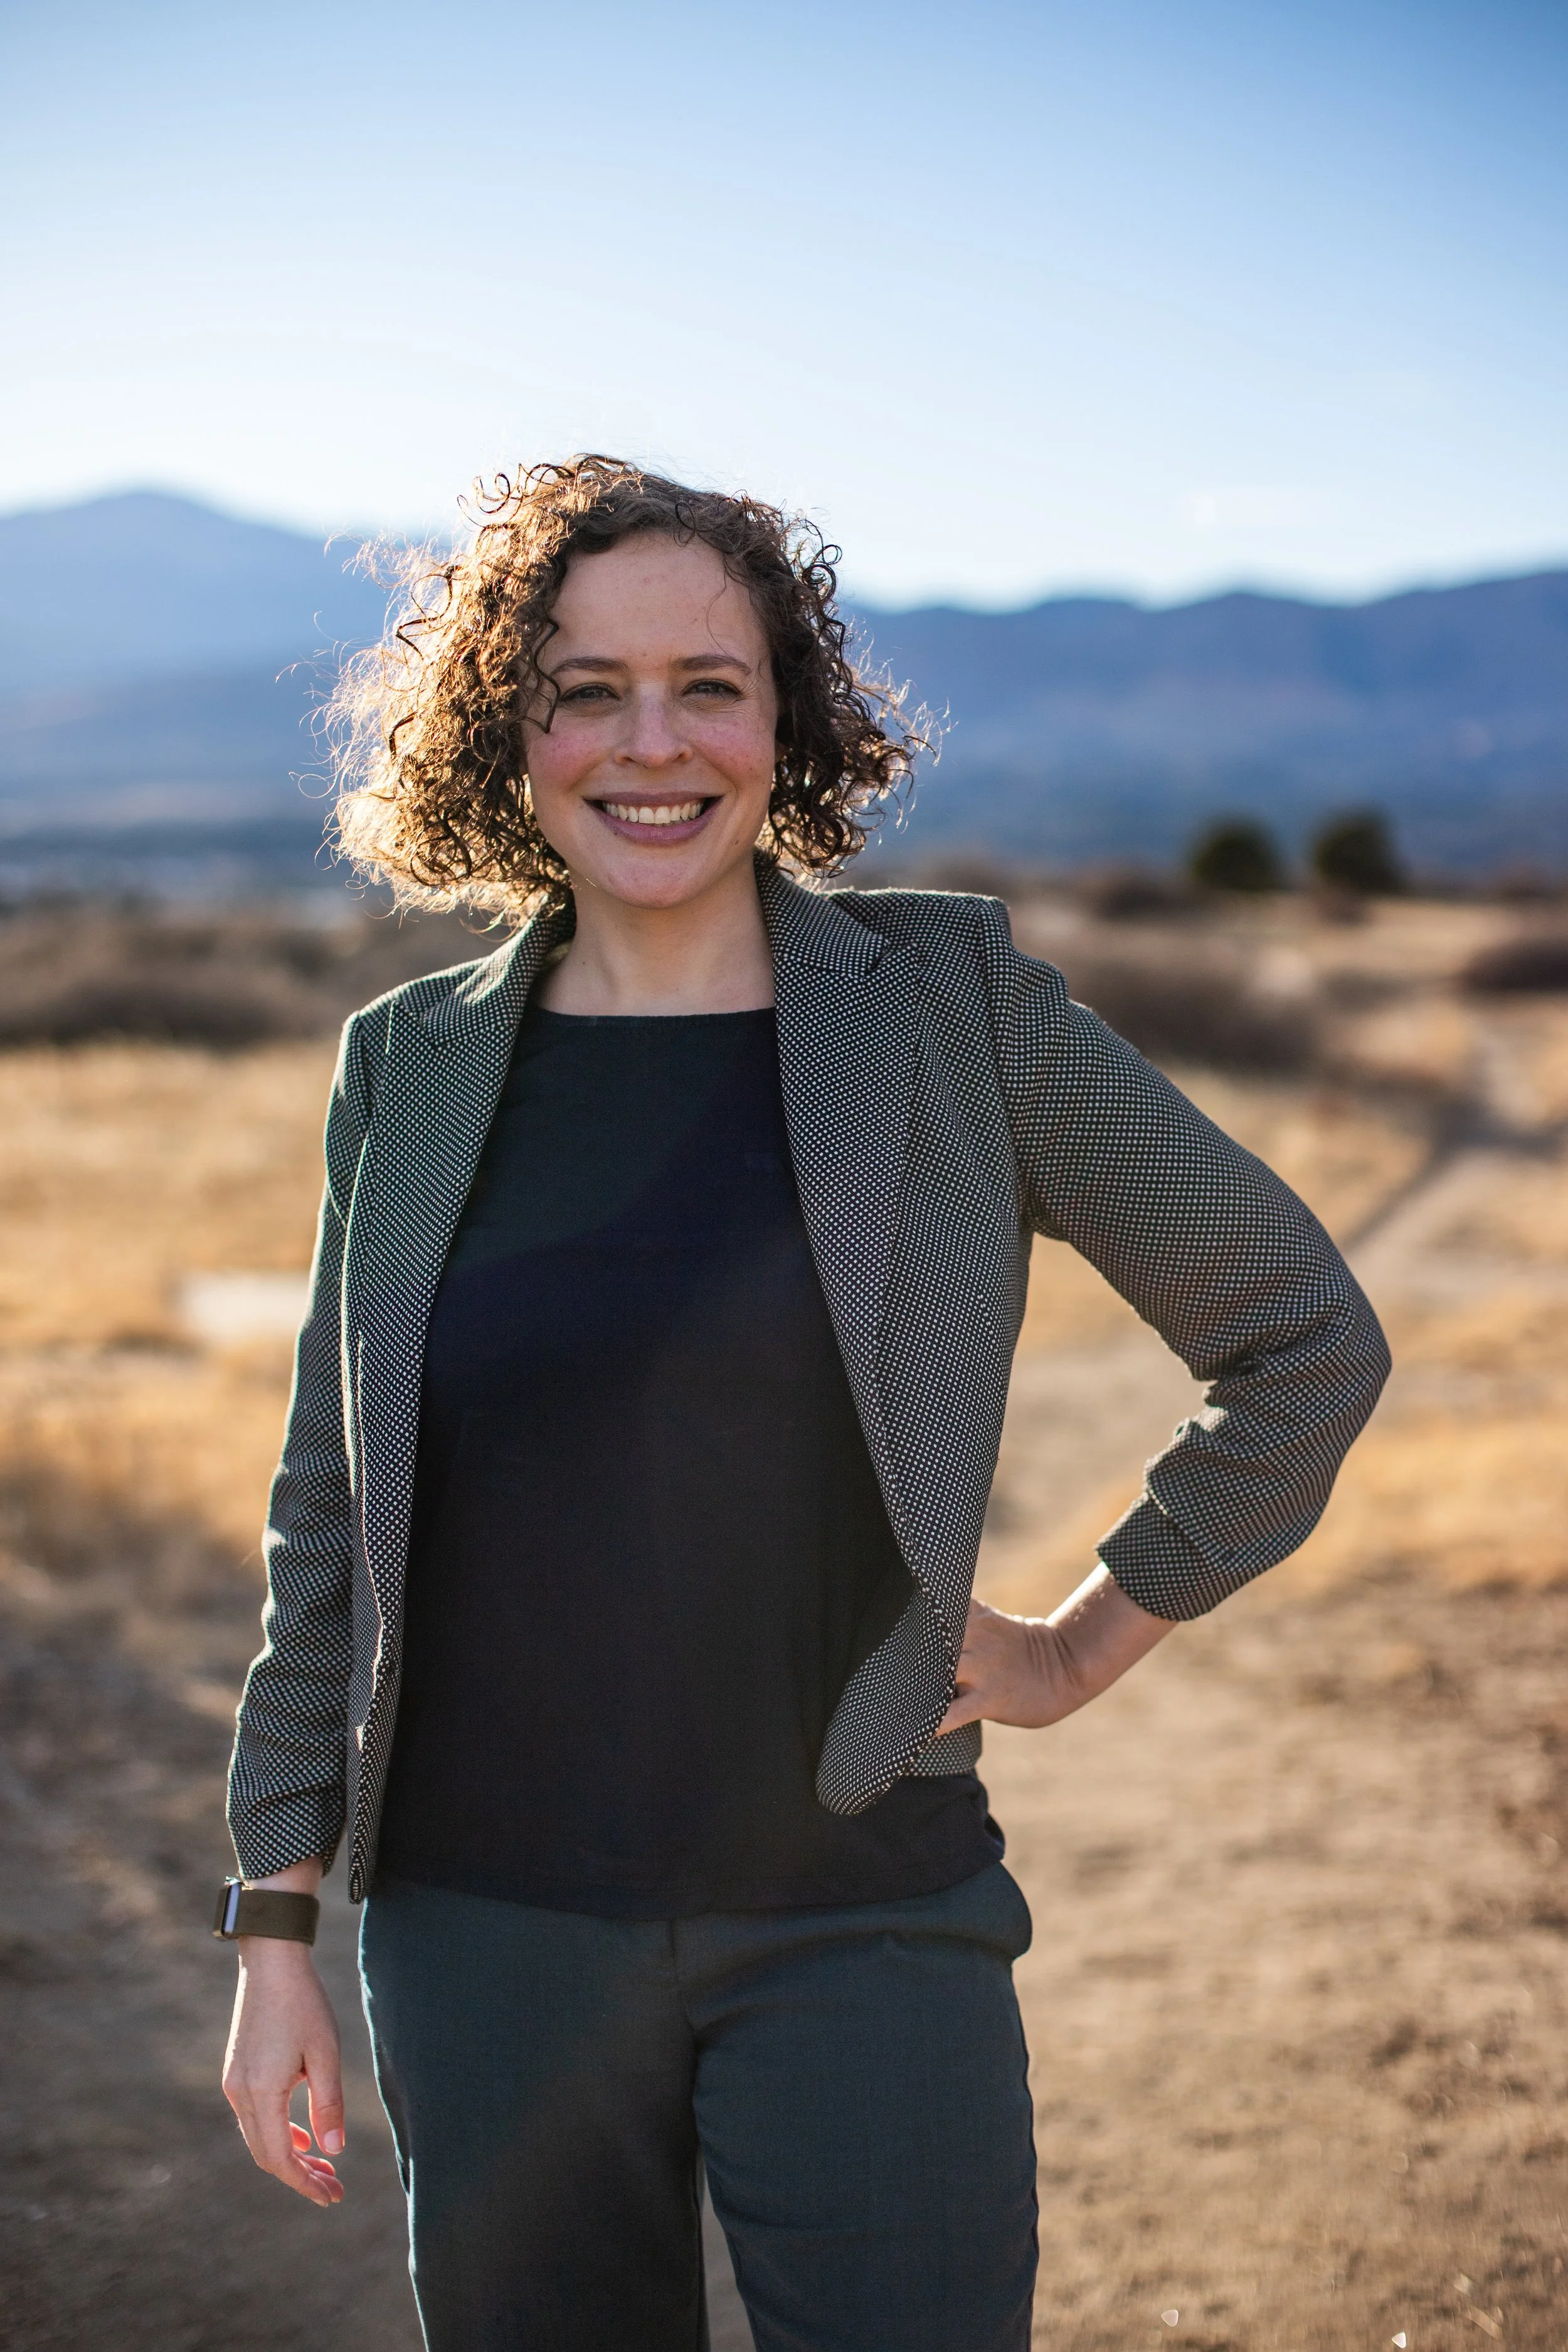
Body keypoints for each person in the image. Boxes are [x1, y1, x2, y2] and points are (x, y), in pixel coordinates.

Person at [218, 457, 1389, 2352]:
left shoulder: (942, 1009)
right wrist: (273, 1927)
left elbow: (1299, 1334)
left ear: (788, 720)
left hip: (862, 1913)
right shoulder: (407, 1070)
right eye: (582, 689)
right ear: (505, 739)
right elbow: (328, 1515)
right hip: (479, 1937)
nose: (649, 742)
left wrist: (1082, 1643)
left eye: (709, 684)